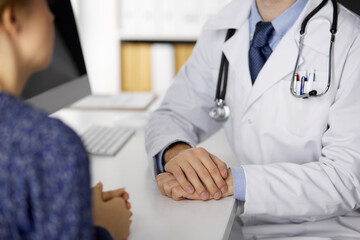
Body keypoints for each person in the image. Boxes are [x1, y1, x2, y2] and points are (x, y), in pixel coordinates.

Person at [145, 0, 360, 238]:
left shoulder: (351, 39)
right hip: (239, 219)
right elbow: (173, 113)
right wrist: (176, 153)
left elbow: (346, 178)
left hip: (326, 228)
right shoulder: (224, 25)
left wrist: (226, 181)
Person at [0, 0, 132, 239]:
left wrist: (66, 201)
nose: (52, 18)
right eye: (47, 6)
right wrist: (107, 229)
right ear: (12, 20)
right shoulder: (50, 145)